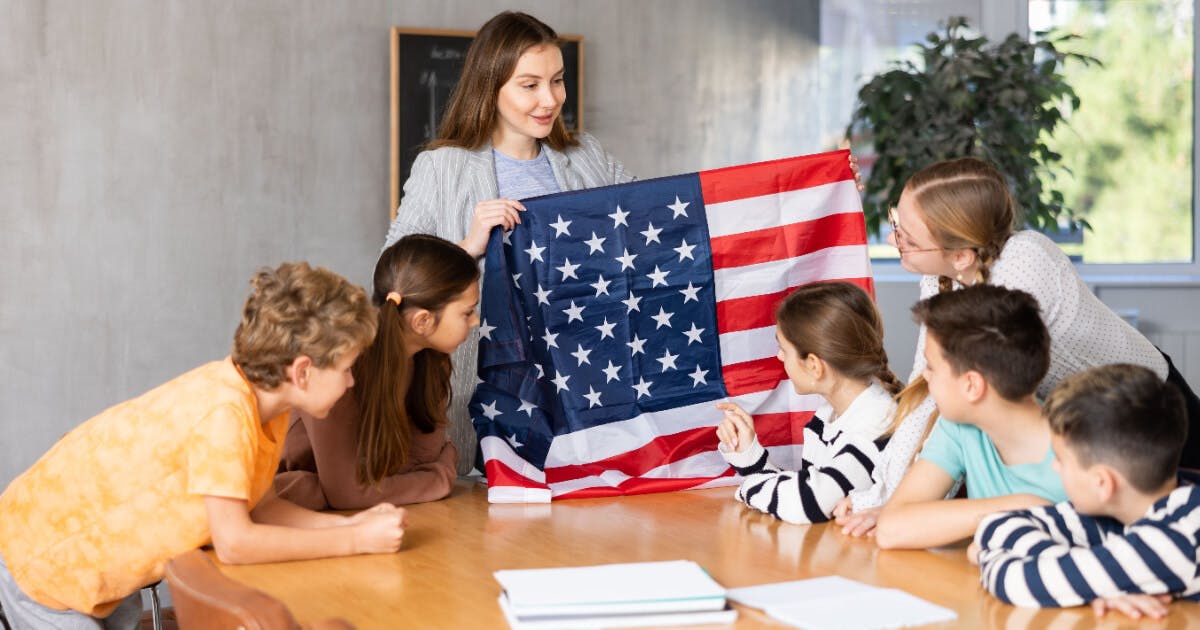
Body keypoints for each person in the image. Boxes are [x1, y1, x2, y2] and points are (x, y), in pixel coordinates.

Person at [0, 263, 407, 629]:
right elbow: (235, 542)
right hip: (42, 567)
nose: (352, 382)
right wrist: (354, 541)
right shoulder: (224, 414)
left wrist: (352, 525)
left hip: (87, 570)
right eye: (347, 369)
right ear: (302, 372)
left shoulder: (264, 405)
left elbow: (261, 505)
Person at [836, 156, 1200, 535]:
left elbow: (942, 392)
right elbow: (925, 387)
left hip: (1142, 405)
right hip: (1074, 424)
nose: (894, 239)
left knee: (1170, 529)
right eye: (897, 222)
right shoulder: (942, 273)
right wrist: (882, 497)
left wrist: (885, 501)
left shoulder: (1024, 262)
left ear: (960, 255)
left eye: (907, 238)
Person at [382, 11, 634, 471]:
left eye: (557, 81)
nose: (549, 99)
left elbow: (646, 225)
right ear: (490, 86)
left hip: (583, 378)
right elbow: (391, 277)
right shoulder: (444, 167)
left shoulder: (588, 157)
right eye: (529, 84)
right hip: (483, 385)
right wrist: (468, 246)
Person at [972, 364, 1199, 619]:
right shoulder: (1129, 509)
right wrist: (1090, 583)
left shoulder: (1175, 541)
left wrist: (1077, 581)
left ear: (1103, 483)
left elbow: (1013, 580)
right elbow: (995, 524)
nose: (1054, 467)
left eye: (1060, 459)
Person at [275, 235, 480, 509]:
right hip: (279, 498)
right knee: (308, 489)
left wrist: (382, 485)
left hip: (343, 510)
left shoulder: (432, 360)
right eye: (467, 313)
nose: (476, 321)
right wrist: (440, 479)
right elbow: (347, 494)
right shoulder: (342, 368)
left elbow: (419, 463)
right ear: (422, 321)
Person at [873, 285, 1068, 550]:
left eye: (931, 366)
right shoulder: (959, 426)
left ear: (972, 386)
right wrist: (1018, 506)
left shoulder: (1081, 456)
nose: (925, 376)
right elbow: (892, 528)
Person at [715, 282, 903, 524]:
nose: (779, 357)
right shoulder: (829, 415)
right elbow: (807, 487)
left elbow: (809, 503)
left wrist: (747, 488)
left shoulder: (878, 421)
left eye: (784, 349)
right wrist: (749, 454)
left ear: (814, 365)